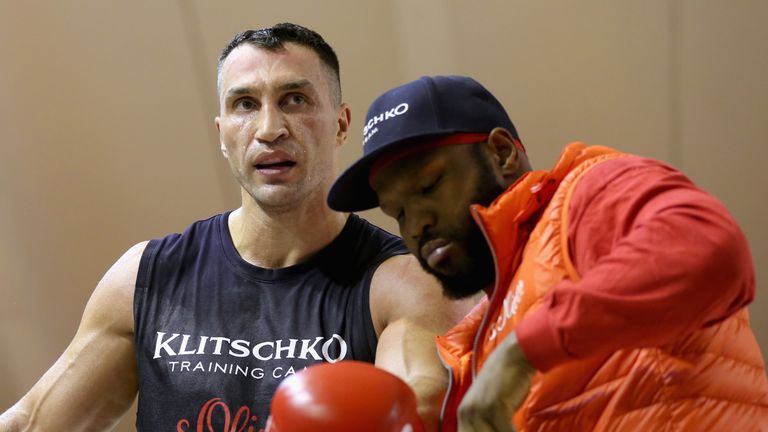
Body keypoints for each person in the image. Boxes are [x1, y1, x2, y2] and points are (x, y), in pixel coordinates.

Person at [0, 25, 475, 432]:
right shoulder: (145, 276)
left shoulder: (400, 285)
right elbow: (31, 422)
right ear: (222, 133)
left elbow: (420, 406)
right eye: (245, 104)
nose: (270, 127)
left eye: (295, 99)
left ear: (341, 124)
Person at [327, 75, 768, 431]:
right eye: (398, 212)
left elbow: (707, 247)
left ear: (501, 154)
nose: (416, 225)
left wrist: (523, 353)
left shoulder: (584, 195)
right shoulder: (472, 347)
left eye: (429, 186)